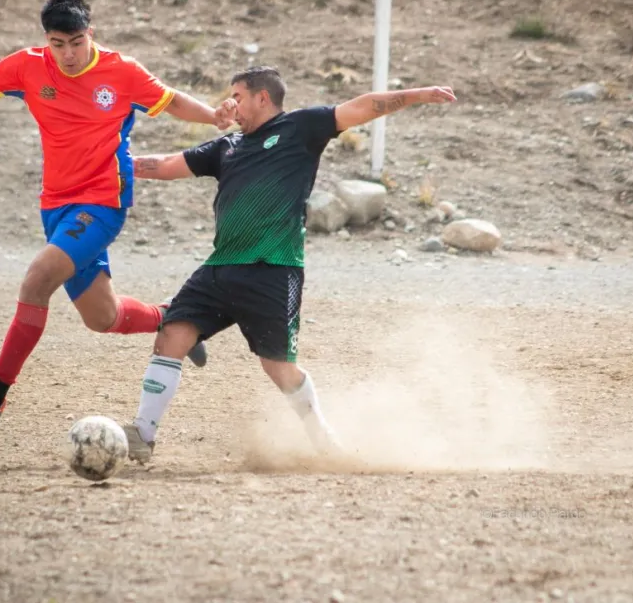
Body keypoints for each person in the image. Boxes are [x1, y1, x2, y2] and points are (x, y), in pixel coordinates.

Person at [0, 0, 235, 425]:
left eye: (77, 42)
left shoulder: (122, 72)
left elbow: (170, 101)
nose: (69, 54)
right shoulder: (28, 66)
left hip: (101, 204)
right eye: (59, 44)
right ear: (46, 40)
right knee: (102, 316)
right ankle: (175, 318)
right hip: (55, 206)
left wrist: (213, 116)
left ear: (90, 34)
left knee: (37, 280)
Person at [120, 66, 457, 463]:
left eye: (238, 96)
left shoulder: (301, 127)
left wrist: (417, 93)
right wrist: (110, 164)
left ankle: (324, 441)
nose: (231, 105)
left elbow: (362, 108)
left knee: (279, 368)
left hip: (273, 269)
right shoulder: (226, 147)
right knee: (172, 334)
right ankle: (143, 434)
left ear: (263, 98)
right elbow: (164, 164)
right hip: (221, 266)